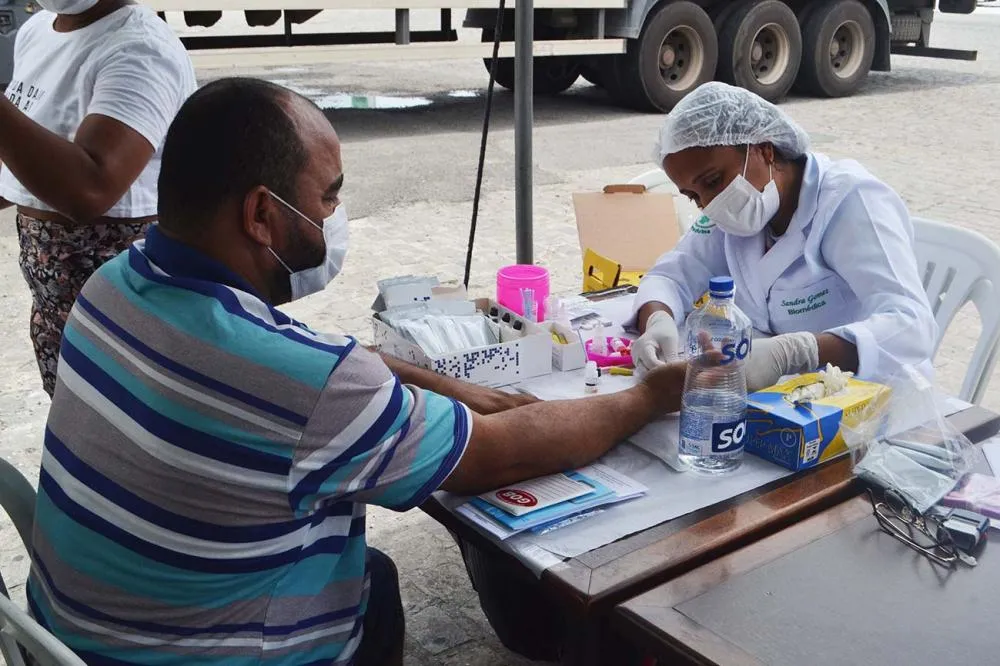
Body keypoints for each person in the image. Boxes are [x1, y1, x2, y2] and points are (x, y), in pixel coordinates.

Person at [27, 77, 687, 666]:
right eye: (327, 195)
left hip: (74, 639)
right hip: (205, 650)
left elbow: (321, 361)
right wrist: (649, 396)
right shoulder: (302, 385)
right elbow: (498, 454)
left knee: (374, 573)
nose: (331, 216)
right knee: (374, 589)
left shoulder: (112, 286)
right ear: (261, 215)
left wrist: (456, 389)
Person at [631, 82, 937, 391]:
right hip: (780, 396)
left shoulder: (850, 200)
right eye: (693, 196)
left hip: (871, 395)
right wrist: (658, 320)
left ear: (764, 150)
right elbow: (672, 275)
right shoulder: (734, 211)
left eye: (713, 181)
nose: (708, 204)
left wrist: (798, 352)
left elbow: (912, 325)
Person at [0, 0, 196, 396]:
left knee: (129, 415)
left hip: (123, 298)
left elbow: (90, 188)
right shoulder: (37, 31)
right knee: (78, 416)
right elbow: (25, 153)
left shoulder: (140, 48)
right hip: (55, 299)